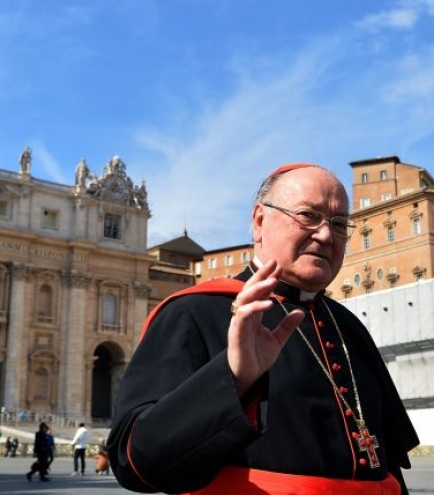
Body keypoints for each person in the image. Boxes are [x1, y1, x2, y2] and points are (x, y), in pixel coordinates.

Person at [108, 163, 420, 495]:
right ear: (260, 221)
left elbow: (388, 463)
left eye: (340, 223)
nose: (326, 234)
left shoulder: (349, 326)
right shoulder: (192, 311)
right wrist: (233, 378)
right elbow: (136, 463)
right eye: (308, 216)